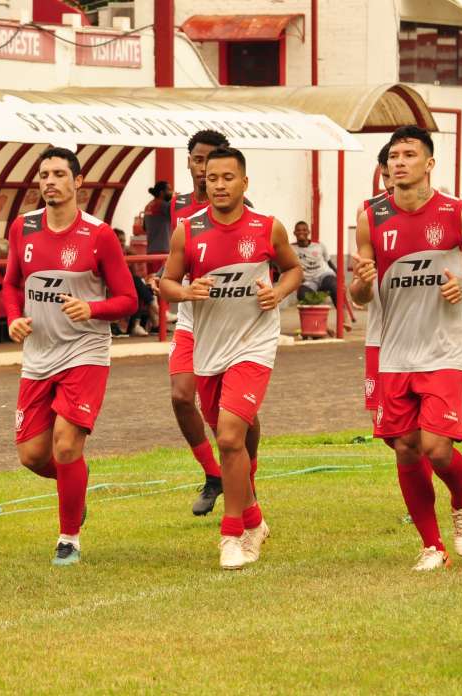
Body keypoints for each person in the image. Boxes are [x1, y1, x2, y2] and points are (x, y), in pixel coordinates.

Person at [351, 125, 462, 571]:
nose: (399, 162)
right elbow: (360, 297)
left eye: (409, 154)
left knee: (436, 448)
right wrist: (361, 282)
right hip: (392, 351)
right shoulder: (370, 216)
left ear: (429, 163)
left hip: (442, 349)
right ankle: (432, 546)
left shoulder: (458, 214)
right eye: (394, 155)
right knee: (406, 448)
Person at [160, 147, 302, 570]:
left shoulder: (267, 227)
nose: (218, 184)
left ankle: (233, 533)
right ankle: (255, 519)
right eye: (213, 178)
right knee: (221, 429)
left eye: (228, 177)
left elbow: (293, 269)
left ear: (244, 183)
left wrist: (277, 291)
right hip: (209, 346)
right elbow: (166, 281)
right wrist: (184, 292)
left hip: (254, 344)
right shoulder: (188, 230)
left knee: (228, 435)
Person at [2, 147, 136, 566]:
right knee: (31, 456)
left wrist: (91, 309)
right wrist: (13, 319)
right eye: (43, 174)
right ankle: (76, 482)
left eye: (59, 174)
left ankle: (69, 539)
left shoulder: (99, 235)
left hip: (85, 351)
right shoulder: (22, 227)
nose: (50, 181)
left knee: (64, 445)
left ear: (78, 182)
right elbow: (10, 284)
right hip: (39, 354)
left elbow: (129, 299)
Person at [165, 129, 248, 517]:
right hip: (191, 316)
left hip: (232, 324)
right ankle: (214, 475)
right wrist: (171, 283)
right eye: (199, 160)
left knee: (237, 413)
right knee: (182, 396)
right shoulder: (178, 206)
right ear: (190, 163)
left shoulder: (240, 205)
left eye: (213, 161)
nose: (205, 169)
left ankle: (246, 471)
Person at [357, 143, 393, 418]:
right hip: (380, 330)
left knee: (428, 440)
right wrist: (364, 282)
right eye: (388, 171)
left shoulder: (449, 211)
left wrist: (461, 283)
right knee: (381, 421)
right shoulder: (370, 213)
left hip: (426, 338)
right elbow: (359, 290)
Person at [114, 227, 157, 337]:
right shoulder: (109, 252)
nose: (122, 243)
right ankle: (156, 311)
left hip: (127, 284)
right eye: (119, 240)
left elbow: (133, 274)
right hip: (113, 285)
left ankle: (148, 325)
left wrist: (132, 262)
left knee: (145, 287)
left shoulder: (127, 253)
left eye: (123, 240)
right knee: (136, 283)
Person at [291, 221, 339, 305]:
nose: (301, 232)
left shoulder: (319, 245)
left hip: (324, 275)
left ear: (308, 232)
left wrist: (339, 277)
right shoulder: (291, 248)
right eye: (298, 230)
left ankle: (342, 315)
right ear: (294, 233)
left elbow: (329, 262)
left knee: (335, 286)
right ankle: (317, 315)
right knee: (302, 294)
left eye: (304, 230)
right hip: (308, 280)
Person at [143, 180, 171, 258]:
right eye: (169, 190)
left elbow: (144, 228)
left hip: (150, 251)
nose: (171, 192)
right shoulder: (164, 206)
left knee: (152, 271)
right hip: (163, 251)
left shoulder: (147, 206)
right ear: (162, 193)